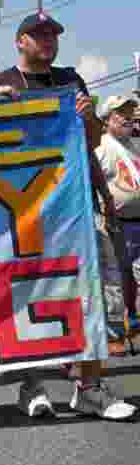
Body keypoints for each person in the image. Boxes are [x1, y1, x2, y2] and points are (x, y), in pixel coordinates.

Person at [0, 12, 135, 420]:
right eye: (39, 35)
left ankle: (89, 387)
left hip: (77, 205)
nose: (48, 41)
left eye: (53, 35)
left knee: (96, 294)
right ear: (20, 41)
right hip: (27, 209)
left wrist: (87, 119)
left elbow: (88, 142)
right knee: (29, 296)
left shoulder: (71, 81)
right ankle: (31, 384)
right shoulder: (1, 83)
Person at [94, 95, 140, 342]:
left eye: (129, 112)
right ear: (107, 118)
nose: (126, 117)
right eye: (120, 113)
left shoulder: (134, 146)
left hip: (138, 222)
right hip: (114, 224)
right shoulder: (100, 149)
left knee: (132, 275)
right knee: (116, 277)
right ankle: (115, 332)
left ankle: (131, 316)